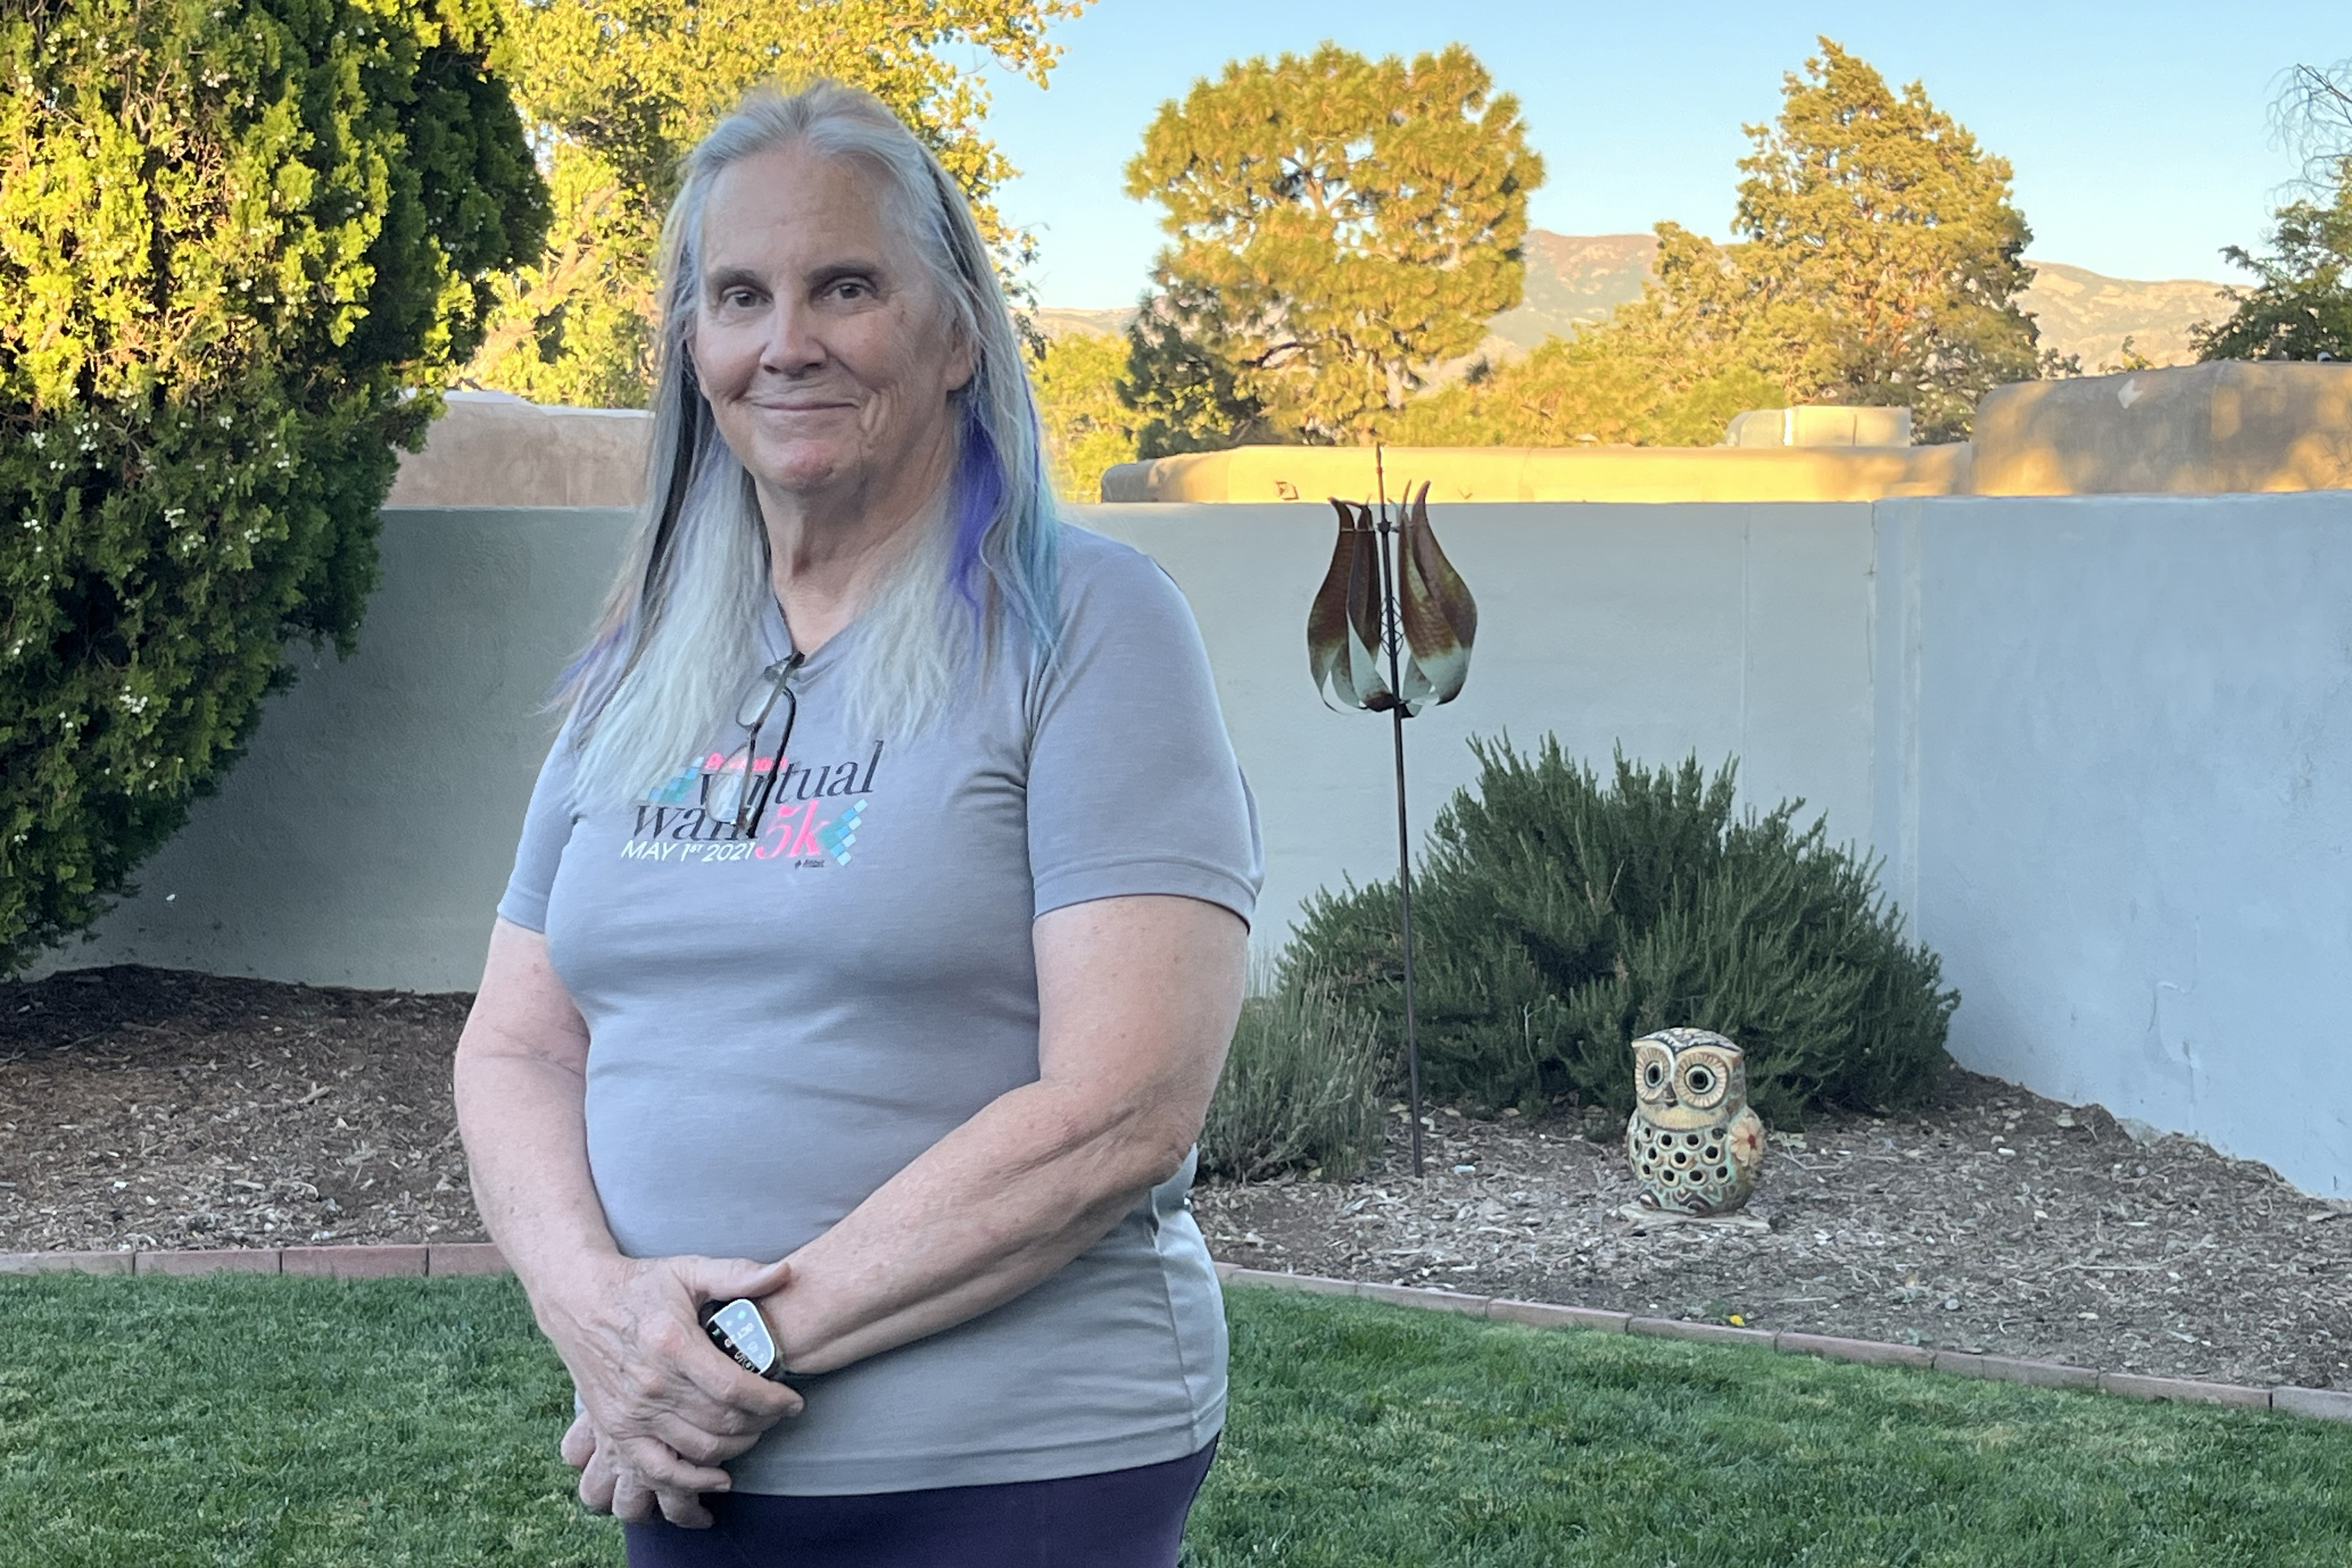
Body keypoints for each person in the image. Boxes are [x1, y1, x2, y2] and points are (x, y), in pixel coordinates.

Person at [450, 80, 1261, 1568]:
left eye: (846, 286)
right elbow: (518, 1038)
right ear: (696, 354)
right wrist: (594, 1311)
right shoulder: (640, 662)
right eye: (740, 295)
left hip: (1018, 1471)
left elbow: (1123, 1108)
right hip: (693, 1466)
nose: (788, 341)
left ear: (956, 335)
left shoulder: (1088, 624)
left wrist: (730, 1344)